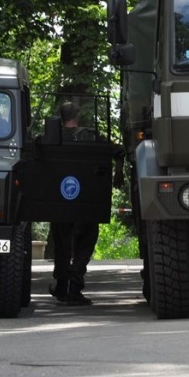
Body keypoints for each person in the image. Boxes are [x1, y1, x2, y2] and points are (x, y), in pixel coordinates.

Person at [49, 101, 124, 306]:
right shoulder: (92, 136)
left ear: (61, 117)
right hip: (88, 202)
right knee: (84, 246)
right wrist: (119, 171)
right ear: (78, 115)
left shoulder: (51, 138)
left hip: (60, 202)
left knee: (62, 247)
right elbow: (118, 152)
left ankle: (62, 287)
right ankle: (73, 288)